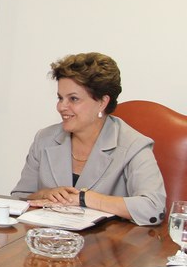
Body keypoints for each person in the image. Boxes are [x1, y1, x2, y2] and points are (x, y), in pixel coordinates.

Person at [11, 52, 166, 225]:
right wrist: (45, 194)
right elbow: (18, 197)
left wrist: (85, 199)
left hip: (107, 247)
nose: (61, 107)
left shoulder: (133, 145)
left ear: (102, 102)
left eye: (73, 99)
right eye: (60, 98)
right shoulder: (44, 138)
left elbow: (154, 207)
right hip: (49, 243)